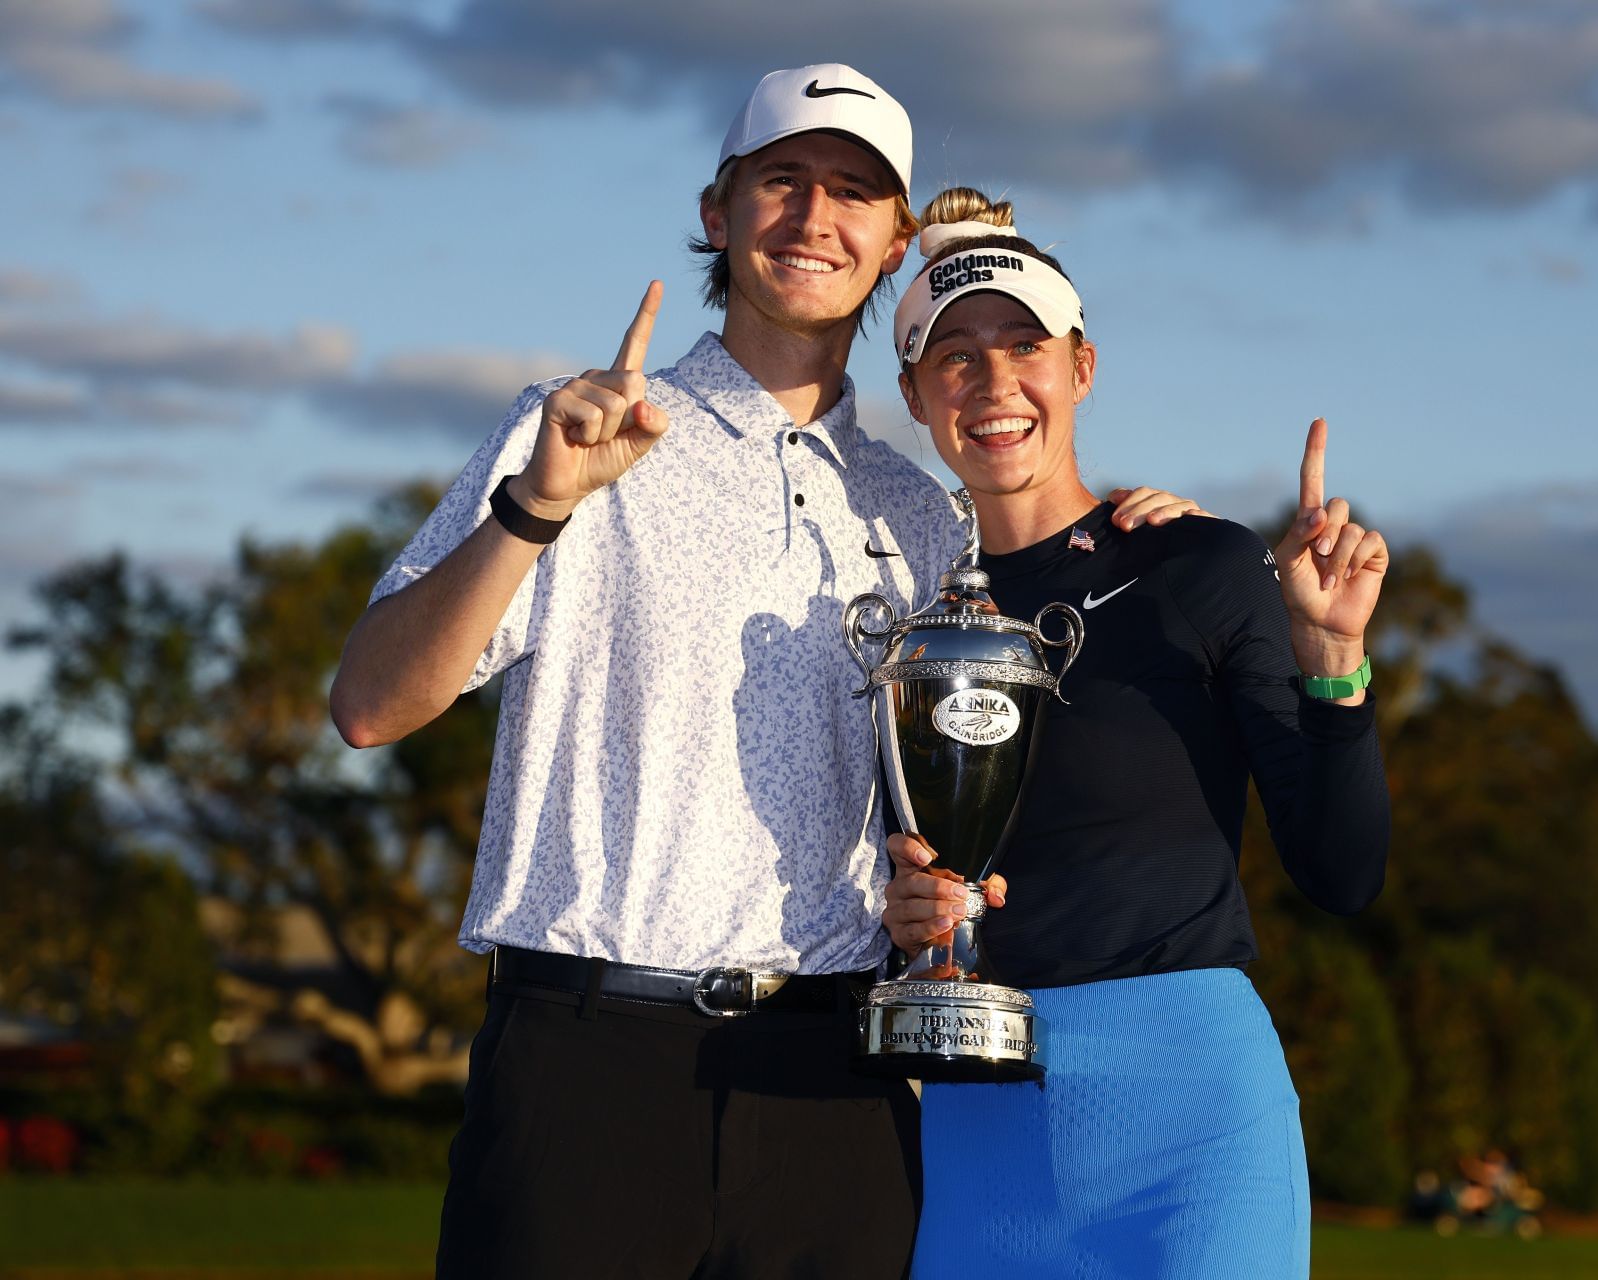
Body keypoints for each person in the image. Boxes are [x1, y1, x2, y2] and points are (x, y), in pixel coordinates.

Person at [328, 68, 1199, 1279]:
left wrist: (1170, 539)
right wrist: (535, 508)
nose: (813, 215)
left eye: (853, 190)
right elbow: (370, 704)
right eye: (781, 179)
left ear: (896, 242)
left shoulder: (923, 514)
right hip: (589, 1065)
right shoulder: (575, 429)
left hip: (836, 1086)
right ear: (716, 210)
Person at [879, 189, 1393, 1279]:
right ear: (916, 394)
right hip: (982, 1134)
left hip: (1195, 1120)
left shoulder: (1194, 565)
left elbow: (1343, 872)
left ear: (1083, 366)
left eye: (1025, 346)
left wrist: (1330, 655)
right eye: (955, 357)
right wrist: (903, 911)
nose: (995, 382)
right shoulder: (905, 620)